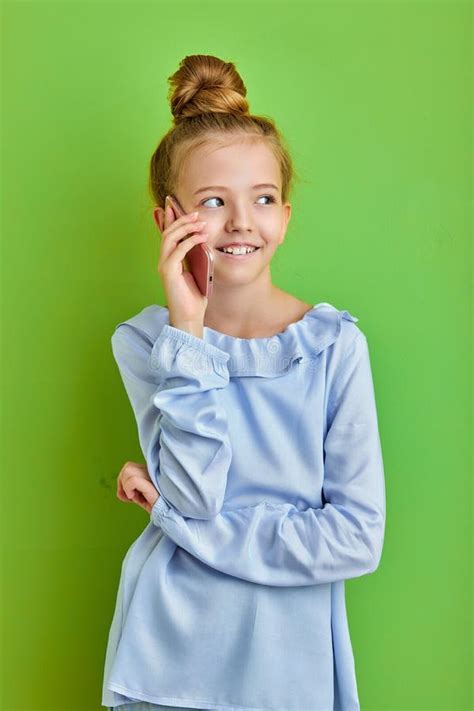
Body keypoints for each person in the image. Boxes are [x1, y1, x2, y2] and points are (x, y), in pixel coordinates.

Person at [101, 54, 386, 711]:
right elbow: (198, 496)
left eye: (260, 198)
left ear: (285, 214)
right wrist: (189, 331)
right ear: (166, 220)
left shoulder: (335, 346)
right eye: (211, 201)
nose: (240, 222)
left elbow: (356, 537)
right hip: (169, 657)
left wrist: (182, 525)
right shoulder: (147, 343)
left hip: (290, 664)